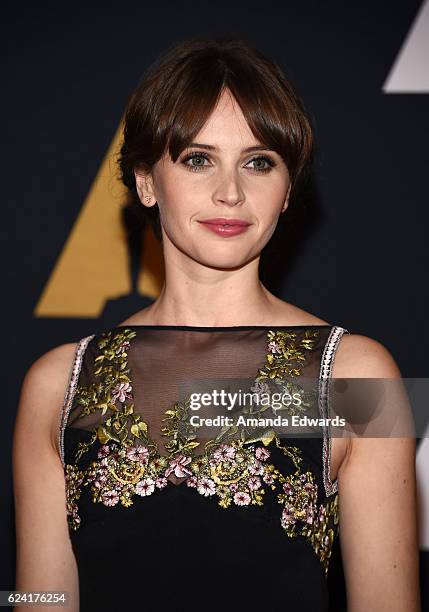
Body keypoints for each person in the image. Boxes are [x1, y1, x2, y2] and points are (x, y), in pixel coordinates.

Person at [12, 36, 420, 612]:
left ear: (286, 192)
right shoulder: (58, 383)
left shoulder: (356, 374)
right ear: (148, 181)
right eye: (197, 159)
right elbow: (39, 597)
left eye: (259, 163)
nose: (230, 192)